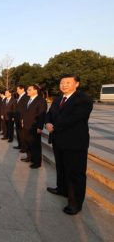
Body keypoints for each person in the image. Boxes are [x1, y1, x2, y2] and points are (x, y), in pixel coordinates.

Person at [45, 74, 93, 215]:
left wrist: (55, 126)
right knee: (61, 168)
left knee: (75, 174)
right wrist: (47, 122)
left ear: (76, 84)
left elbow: (75, 118)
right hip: (58, 141)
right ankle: (62, 189)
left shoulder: (83, 99)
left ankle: (75, 203)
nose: (64, 85)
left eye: (67, 82)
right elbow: (50, 114)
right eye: (62, 83)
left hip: (75, 143)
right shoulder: (58, 99)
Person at [21, 84, 47, 168]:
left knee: (35, 145)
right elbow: (25, 112)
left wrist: (40, 127)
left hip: (34, 126)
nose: (27, 91)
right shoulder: (28, 99)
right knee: (27, 142)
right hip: (26, 124)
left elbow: (41, 115)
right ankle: (29, 157)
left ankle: (37, 162)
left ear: (35, 90)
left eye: (29, 90)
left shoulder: (41, 100)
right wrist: (22, 120)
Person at [13, 85, 29, 152]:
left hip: (22, 118)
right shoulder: (19, 96)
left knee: (23, 134)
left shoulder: (26, 97)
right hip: (17, 118)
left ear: (22, 89)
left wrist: (23, 118)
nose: (17, 91)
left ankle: (24, 147)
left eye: (18, 89)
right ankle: (20, 145)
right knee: (18, 133)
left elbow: (25, 109)